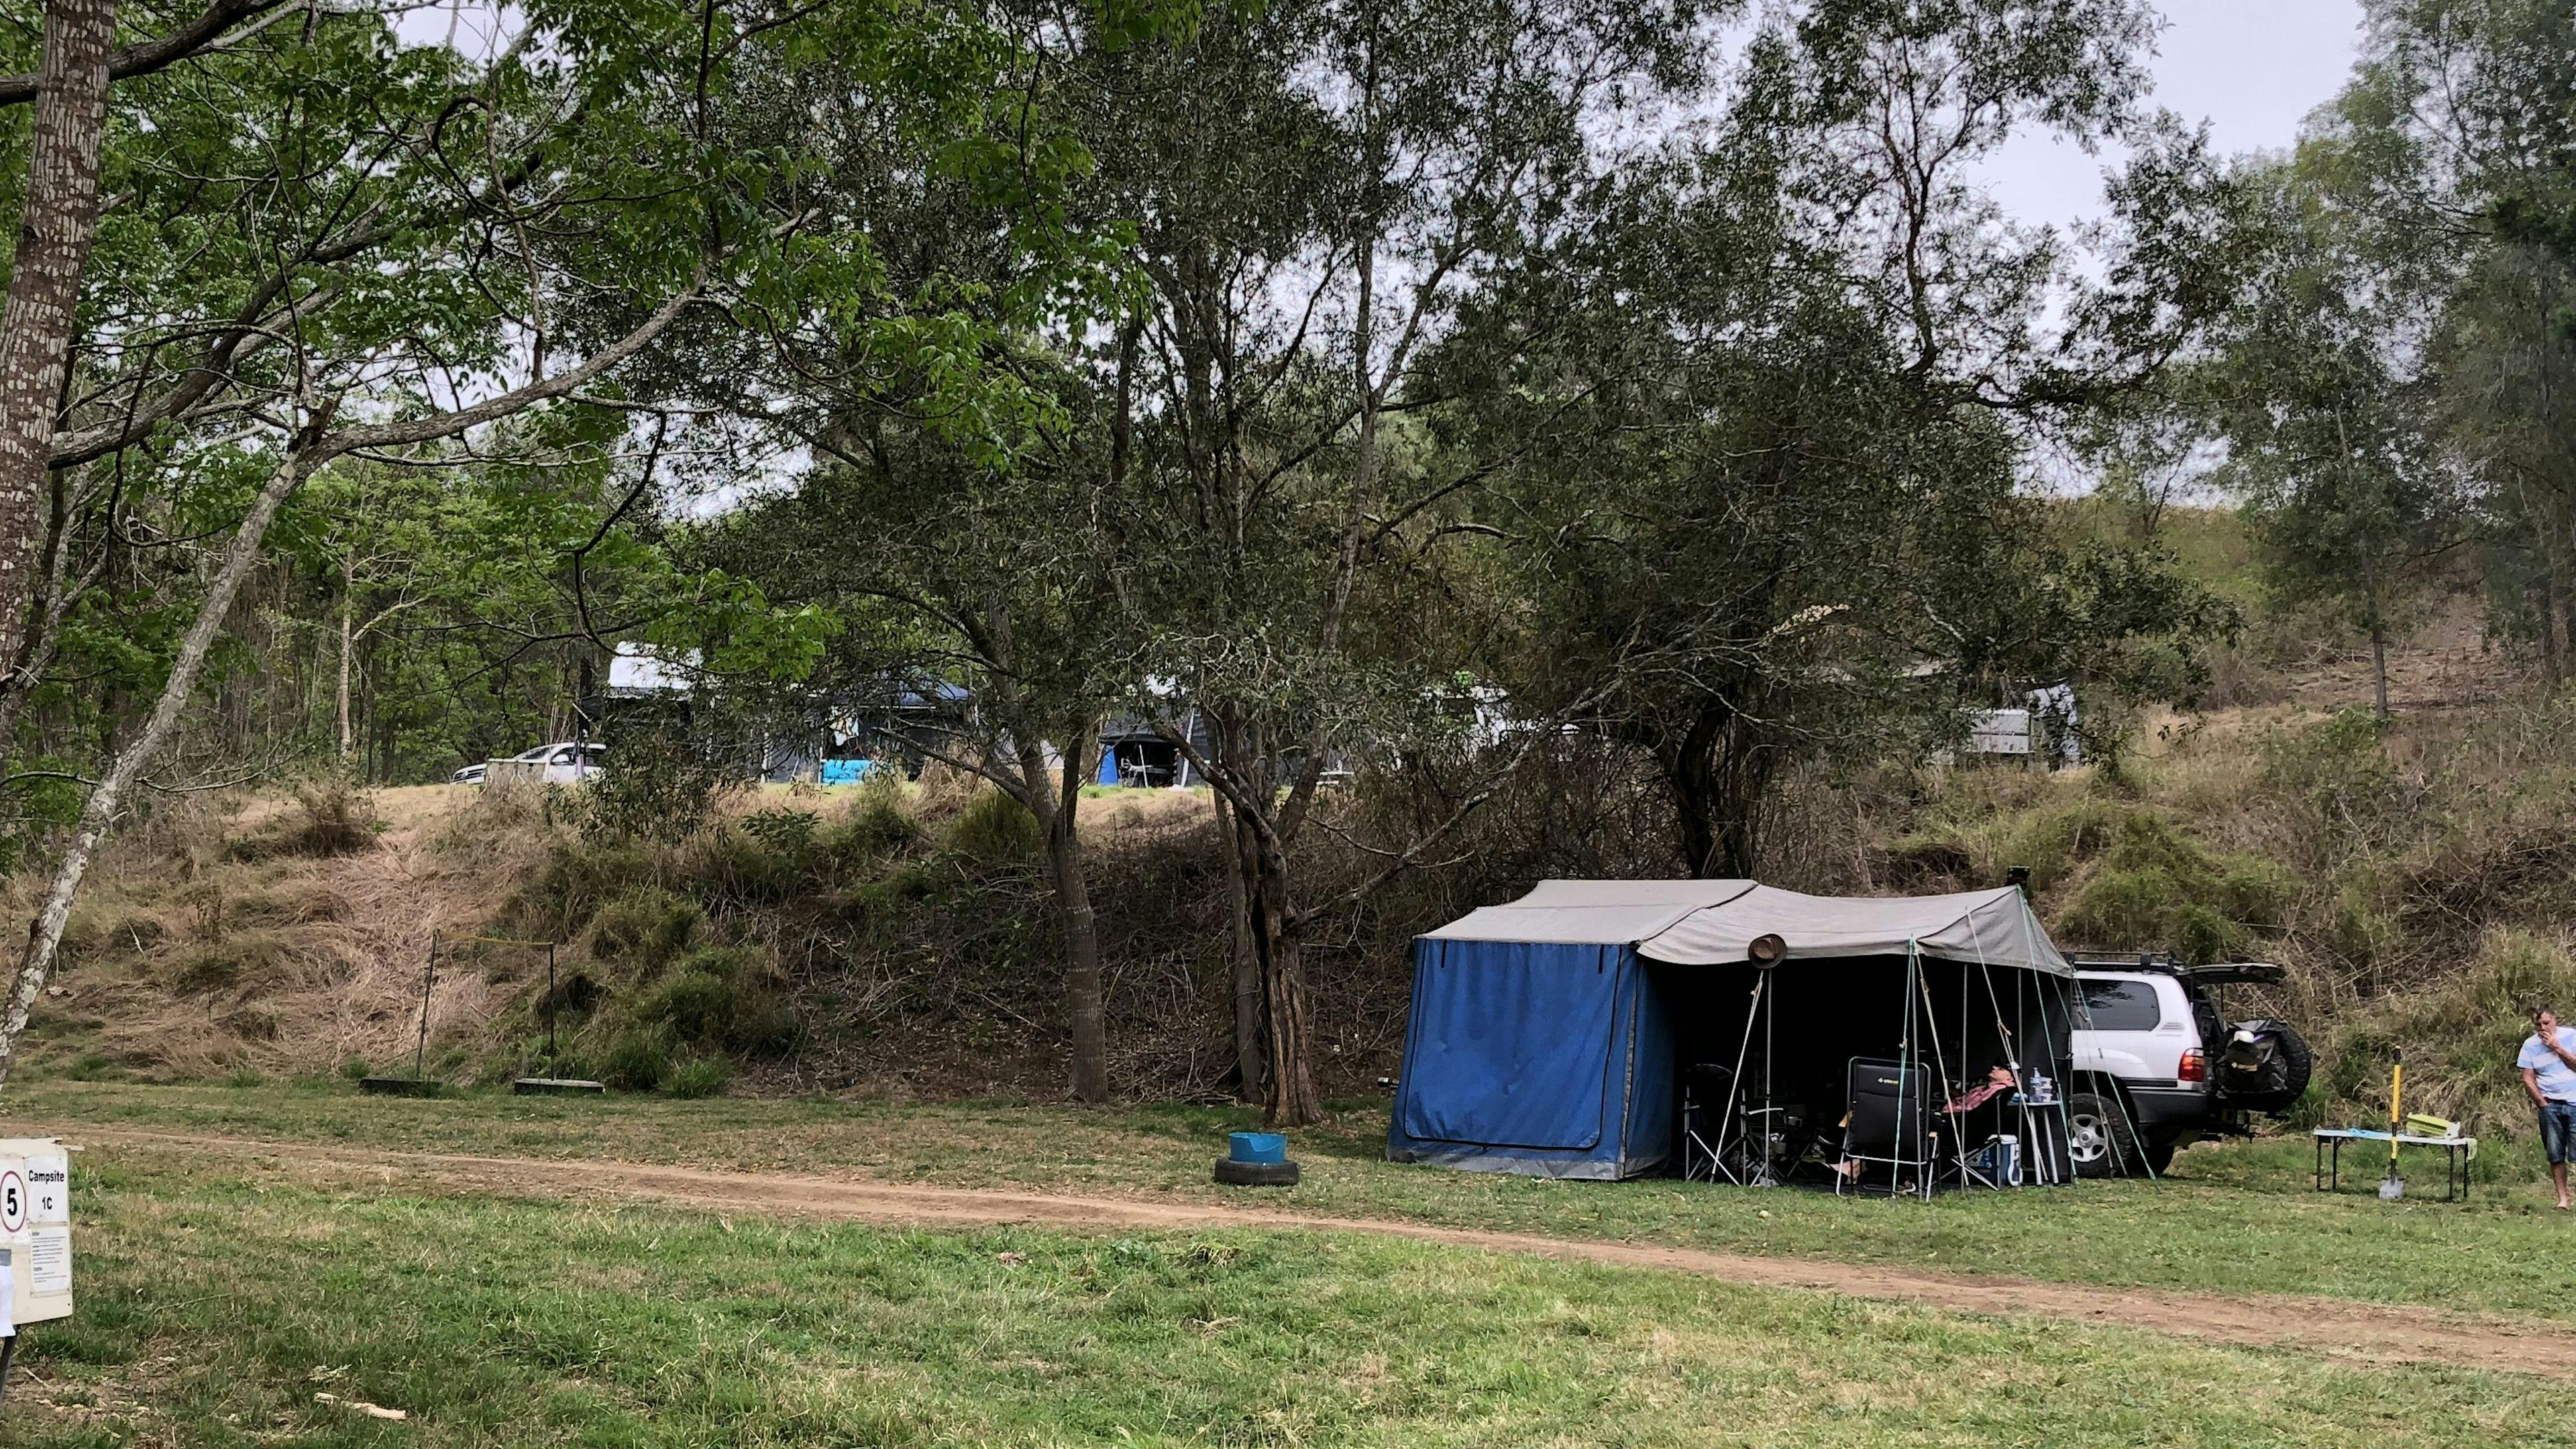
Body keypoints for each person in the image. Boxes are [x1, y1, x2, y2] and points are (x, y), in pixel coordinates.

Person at [2519, 1006, 2576, 1212]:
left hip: (2574, 1102)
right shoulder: (2530, 1045)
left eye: (2546, 1023)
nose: (2542, 1028)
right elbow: (2527, 1077)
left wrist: (2558, 1048)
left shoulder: (2571, 1037)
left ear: (2555, 1020)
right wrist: (2541, 1102)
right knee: (2555, 1154)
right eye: (2538, 1025)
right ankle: (2563, 1200)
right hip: (2550, 1105)